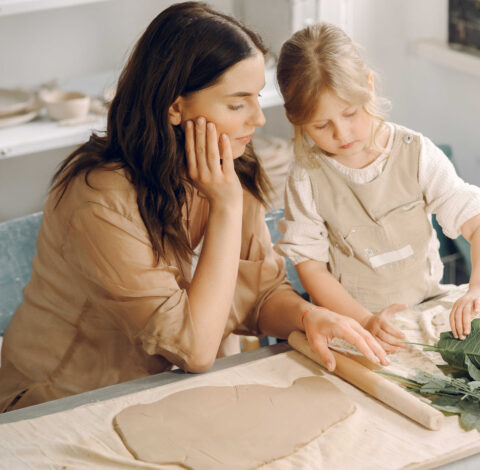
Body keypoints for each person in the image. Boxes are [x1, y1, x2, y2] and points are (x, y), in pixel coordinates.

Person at [0, 3, 389, 413]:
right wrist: (224, 208)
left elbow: (260, 291)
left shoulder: (228, 168)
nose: (258, 119)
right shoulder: (99, 200)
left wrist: (307, 316)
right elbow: (193, 349)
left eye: (256, 98)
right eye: (237, 104)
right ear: (174, 107)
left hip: (170, 396)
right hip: (60, 405)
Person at [274, 23, 480, 350]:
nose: (342, 134)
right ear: (297, 121)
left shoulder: (416, 153)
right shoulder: (305, 176)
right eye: (322, 125)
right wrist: (364, 321)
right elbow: (311, 267)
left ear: (368, 86)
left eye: (350, 114)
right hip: (350, 329)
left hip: (424, 319)